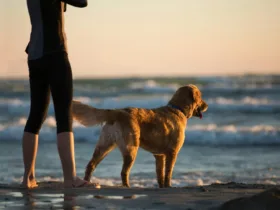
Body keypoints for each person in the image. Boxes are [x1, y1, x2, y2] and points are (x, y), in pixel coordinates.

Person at [21, 0, 100, 189]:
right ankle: (70, 178)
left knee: (35, 116)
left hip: (35, 55)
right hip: (55, 54)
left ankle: (28, 178)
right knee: (64, 116)